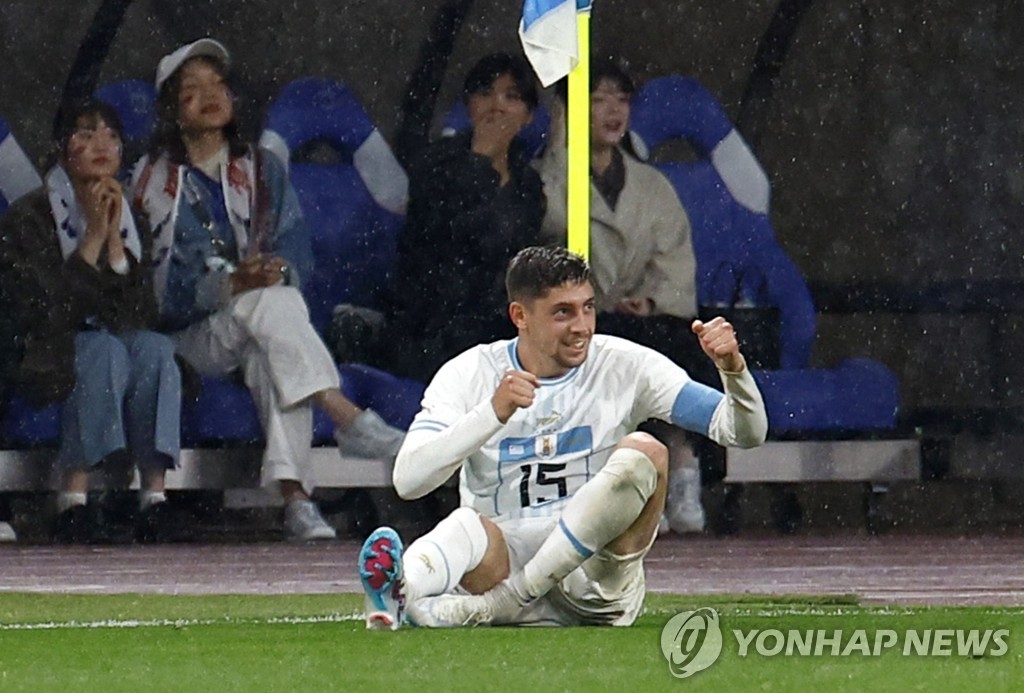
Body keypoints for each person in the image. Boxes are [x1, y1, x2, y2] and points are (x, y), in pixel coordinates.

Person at [359, 245, 767, 629]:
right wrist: (492, 413)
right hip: (502, 565)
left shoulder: (626, 364)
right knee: (464, 524)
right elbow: (409, 480)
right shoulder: (469, 373)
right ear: (520, 315)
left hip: (595, 583)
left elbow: (743, 433)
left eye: (588, 308)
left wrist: (734, 370)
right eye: (562, 313)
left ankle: (495, 606)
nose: (582, 327)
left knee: (645, 452)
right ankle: (400, 592)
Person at [130, 38, 404, 541]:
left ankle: (297, 501)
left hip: (256, 329)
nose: (210, 94)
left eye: (218, 83)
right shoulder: (148, 180)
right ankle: (345, 416)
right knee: (268, 309)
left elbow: (297, 254)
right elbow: (146, 295)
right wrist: (230, 284)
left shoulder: (260, 170)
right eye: (192, 89)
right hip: (182, 344)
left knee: (272, 339)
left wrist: (275, 271)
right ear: (171, 108)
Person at [535, 59, 713, 534]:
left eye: (622, 99)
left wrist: (652, 301)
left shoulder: (653, 186)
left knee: (677, 348)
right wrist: (558, 148)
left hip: (640, 316)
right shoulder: (549, 178)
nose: (613, 111)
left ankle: (683, 468)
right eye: (597, 100)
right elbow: (549, 225)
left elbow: (675, 261)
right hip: (579, 320)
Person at [0, 99, 181, 543]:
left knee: (155, 348)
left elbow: (141, 316)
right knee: (101, 349)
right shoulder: (30, 216)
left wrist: (117, 248)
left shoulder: (130, 212)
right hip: (45, 350)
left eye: (111, 135)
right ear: (63, 151)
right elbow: (47, 313)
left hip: (112, 342)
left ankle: (154, 497)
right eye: (86, 133)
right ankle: (73, 499)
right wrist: (94, 238)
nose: (101, 143)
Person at [380, 52, 546, 383]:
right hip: (432, 325)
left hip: (501, 323)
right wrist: (479, 162)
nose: (496, 106)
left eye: (511, 97)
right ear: (469, 105)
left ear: (528, 116)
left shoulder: (528, 184)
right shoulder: (434, 165)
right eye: (485, 93)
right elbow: (448, 242)